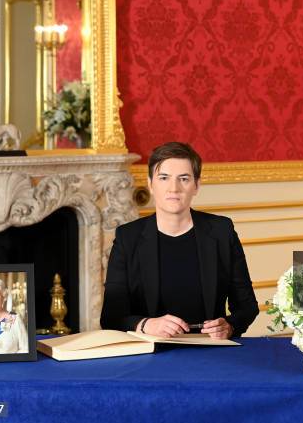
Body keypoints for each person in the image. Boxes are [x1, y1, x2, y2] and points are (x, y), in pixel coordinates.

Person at [101, 142, 259, 339]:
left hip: (211, 351)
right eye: (164, 178)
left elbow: (247, 306)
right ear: (150, 185)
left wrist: (230, 326)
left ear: (196, 186)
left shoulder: (221, 231)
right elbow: (110, 317)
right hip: (150, 350)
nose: (173, 188)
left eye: (183, 179)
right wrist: (146, 324)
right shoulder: (128, 237)